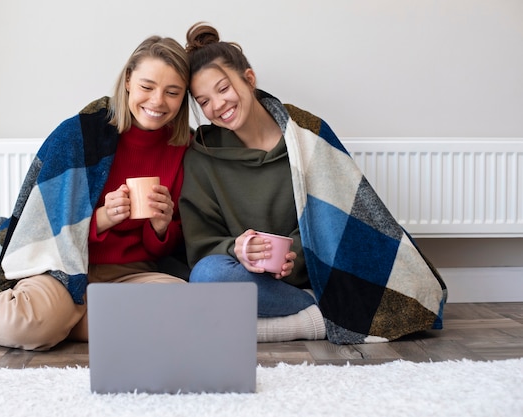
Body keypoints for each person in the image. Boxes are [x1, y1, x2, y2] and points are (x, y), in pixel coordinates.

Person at [0, 35, 191, 350]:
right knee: (27, 325)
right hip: (62, 267)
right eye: (148, 87)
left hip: (131, 275)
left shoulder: (183, 148)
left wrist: (161, 227)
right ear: (129, 81)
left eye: (172, 92)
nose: (158, 101)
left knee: (186, 308)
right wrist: (102, 218)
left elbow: (164, 249)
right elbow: (39, 224)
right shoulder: (79, 135)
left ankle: (57, 322)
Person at [180, 23, 448, 344]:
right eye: (204, 101)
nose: (218, 105)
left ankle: (311, 319)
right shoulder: (201, 155)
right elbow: (201, 243)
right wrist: (237, 249)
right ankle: (323, 317)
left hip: (314, 277)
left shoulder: (305, 133)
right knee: (208, 275)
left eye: (223, 89)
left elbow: (337, 219)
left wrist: (292, 254)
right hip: (250, 280)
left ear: (249, 80)